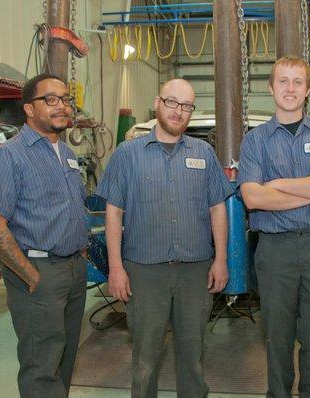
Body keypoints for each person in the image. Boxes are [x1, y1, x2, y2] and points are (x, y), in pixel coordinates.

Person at [96, 78, 234, 397]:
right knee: (145, 357)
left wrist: (222, 260)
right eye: (172, 102)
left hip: (195, 271)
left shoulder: (204, 153)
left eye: (186, 106)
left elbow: (217, 209)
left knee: (193, 355)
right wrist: (115, 268)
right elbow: (113, 213)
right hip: (145, 273)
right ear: (158, 103)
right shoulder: (127, 154)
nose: (178, 111)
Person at [237, 56, 310, 397]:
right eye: (282, 81)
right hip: (275, 250)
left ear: (307, 89)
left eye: (297, 81)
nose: (290, 88)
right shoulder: (255, 140)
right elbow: (253, 197)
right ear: (271, 88)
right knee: (278, 337)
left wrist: (280, 183)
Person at [0, 73, 88, 398]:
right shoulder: (8, 156)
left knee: (64, 360)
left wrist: (78, 256)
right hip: (38, 272)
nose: (62, 106)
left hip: (72, 269)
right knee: (41, 367)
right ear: (28, 108)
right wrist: (30, 276)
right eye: (50, 99)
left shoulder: (67, 153)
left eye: (66, 99)